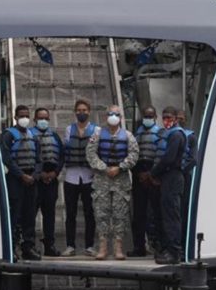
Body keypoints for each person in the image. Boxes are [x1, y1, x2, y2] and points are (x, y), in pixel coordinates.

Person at [86, 105, 139, 260]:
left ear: (120, 117)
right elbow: (90, 153)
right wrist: (104, 167)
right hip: (102, 179)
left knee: (120, 214)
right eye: (110, 114)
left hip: (121, 180)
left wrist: (121, 167)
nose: (113, 116)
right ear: (106, 116)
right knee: (101, 213)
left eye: (116, 114)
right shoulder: (97, 134)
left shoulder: (128, 136)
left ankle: (118, 248)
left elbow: (134, 154)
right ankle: (102, 247)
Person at [1, 105, 41, 261]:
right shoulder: (8, 135)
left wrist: (35, 175)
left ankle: (28, 247)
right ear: (16, 118)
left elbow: (39, 158)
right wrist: (21, 175)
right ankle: (11, 248)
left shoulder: (33, 135)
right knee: (14, 216)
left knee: (29, 215)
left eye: (27, 116)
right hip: (15, 180)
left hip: (31, 180)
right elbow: (6, 158)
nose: (25, 119)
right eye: (22, 116)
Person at [149, 106, 187, 265]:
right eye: (164, 118)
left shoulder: (176, 135)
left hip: (173, 176)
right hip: (168, 177)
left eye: (170, 118)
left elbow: (169, 159)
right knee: (167, 214)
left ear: (176, 119)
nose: (166, 121)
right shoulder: (171, 134)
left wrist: (154, 173)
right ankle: (170, 249)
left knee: (172, 215)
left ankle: (174, 251)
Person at [62, 99, 97, 256]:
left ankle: (90, 246)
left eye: (84, 110)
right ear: (75, 112)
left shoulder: (96, 130)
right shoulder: (69, 129)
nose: (81, 112)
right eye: (79, 110)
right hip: (71, 177)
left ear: (89, 112)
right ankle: (70, 245)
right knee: (71, 213)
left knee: (90, 212)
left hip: (90, 176)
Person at [30, 107, 64, 257]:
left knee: (49, 214)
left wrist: (54, 173)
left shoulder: (55, 137)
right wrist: (40, 174)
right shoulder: (29, 135)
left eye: (45, 118)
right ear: (35, 119)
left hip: (52, 180)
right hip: (36, 180)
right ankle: (29, 245)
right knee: (30, 213)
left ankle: (49, 245)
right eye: (40, 118)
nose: (43, 121)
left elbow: (62, 157)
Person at [129, 106, 161, 257]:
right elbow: (132, 155)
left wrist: (150, 174)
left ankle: (157, 246)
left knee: (155, 213)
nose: (147, 118)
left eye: (150, 116)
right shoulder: (137, 134)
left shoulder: (160, 134)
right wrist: (138, 173)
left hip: (153, 177)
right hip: (138, 176)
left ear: (155, 116)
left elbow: (160, 155)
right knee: (139, 214)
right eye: (145, 116)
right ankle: (139, 247)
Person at [176, 109, 199, 238]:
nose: (179, 121)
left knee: (184, 210)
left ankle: (184, 242)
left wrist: (181, 169)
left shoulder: (191, 136)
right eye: (177, 118)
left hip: (185, 176)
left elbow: (193, 159)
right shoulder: (169, 134)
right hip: (170, 177)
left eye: (182, 118)